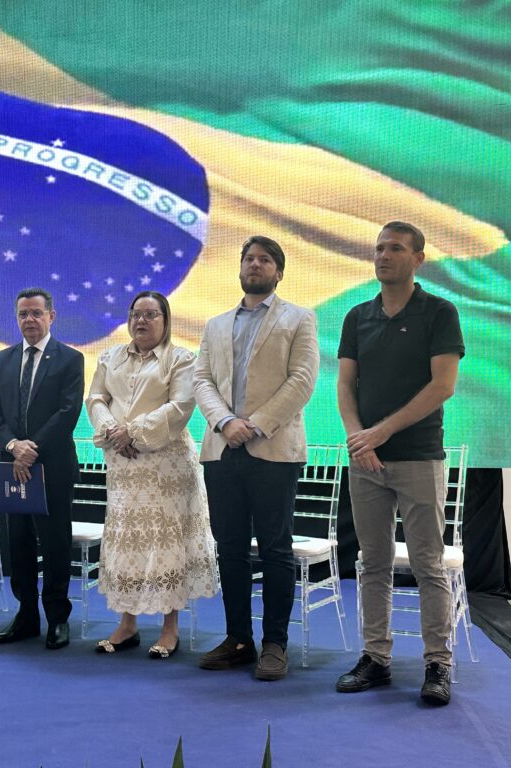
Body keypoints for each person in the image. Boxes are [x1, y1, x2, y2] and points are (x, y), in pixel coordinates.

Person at [335, 221, 464, 706]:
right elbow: (345, 385)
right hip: (366, 462)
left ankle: (438, 664)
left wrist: (381, 432)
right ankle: (376, 658)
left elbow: (442, 386)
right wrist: (359, 440)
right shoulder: (358, 316)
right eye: (379, 249)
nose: (383, 256)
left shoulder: (439, 312)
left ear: (418, 259)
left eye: (395, 249)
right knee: (373, 564)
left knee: (428, 565)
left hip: (419, 457)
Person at [193, 235, 319, 681]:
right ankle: (238, 640)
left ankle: (275, 645)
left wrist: (256, 424)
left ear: (278, 272)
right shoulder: (215, 324)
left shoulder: (299, 318)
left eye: (265, 260)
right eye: (249, 258)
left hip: (274, 450)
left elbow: (302, 379)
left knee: (275, 549)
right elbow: (201, 379)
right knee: (229, 549)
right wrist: (226, 422)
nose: (255, 265)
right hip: (222, 449)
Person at [87, 291, 218, 658]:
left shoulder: (181, 359)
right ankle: (126, 624)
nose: (141, 321)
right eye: (136, 314)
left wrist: (133, 431)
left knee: (165, 544)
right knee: (126, 541)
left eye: (150, 314)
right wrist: (113, 431)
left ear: (166, 320)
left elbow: (181, 405)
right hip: (123, 464)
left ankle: (169, 629)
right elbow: (95, 399)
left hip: (166, 466)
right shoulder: (109, 356)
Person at [0, 288, 84, 650]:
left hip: (51, 468)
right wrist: (13, 447)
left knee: (55, 544)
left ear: (51, 316)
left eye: (36, 313)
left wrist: (32, 449)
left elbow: (68, 412)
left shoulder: (70, 359)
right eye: (23, 314)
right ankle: (26, 616)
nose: (30, 319)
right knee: (18, 544)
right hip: (12, 468)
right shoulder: (3, 359)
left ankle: (57, 618)